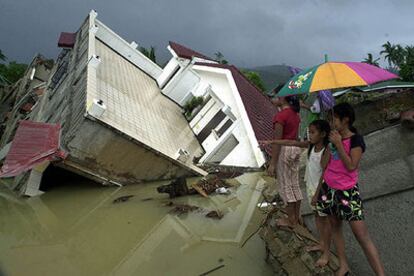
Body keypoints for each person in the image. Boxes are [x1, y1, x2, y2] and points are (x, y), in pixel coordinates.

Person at [315, 103, 385, 276]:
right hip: (329, 188)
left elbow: (352, 166)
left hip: (347, 192)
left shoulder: (356, 140)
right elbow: (323, 165)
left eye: (334, 118)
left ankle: (381, 273)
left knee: (361, 235)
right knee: (335, 226)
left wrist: (339, 144)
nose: (331, 122)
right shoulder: (333, 138)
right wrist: (329, 146)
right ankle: (343, 264)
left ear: (345, 120)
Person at [260, 120, 332, 267]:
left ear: (323, 134)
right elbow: (290, 142)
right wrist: (272, 141)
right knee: (318, 219)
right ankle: (322, 243)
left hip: (321, 191)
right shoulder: (311, 146)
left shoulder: (326, 150)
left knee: (326, 222)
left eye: (313, 132)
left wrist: (318, 194)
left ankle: (326, 253)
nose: (309, 135)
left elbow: (325, 175)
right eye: (309, 132)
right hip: (312, 189)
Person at [267, 95, 302, 227]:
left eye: (276, 96)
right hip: (295, 148)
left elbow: (277, 142)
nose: (273, 98)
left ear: (282, 99)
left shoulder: (280, 116)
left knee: (285, 185)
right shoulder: (295, 115)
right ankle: (297, 217)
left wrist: (273, 163)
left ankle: (290, 220)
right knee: (294, 183)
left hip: (285, 151)